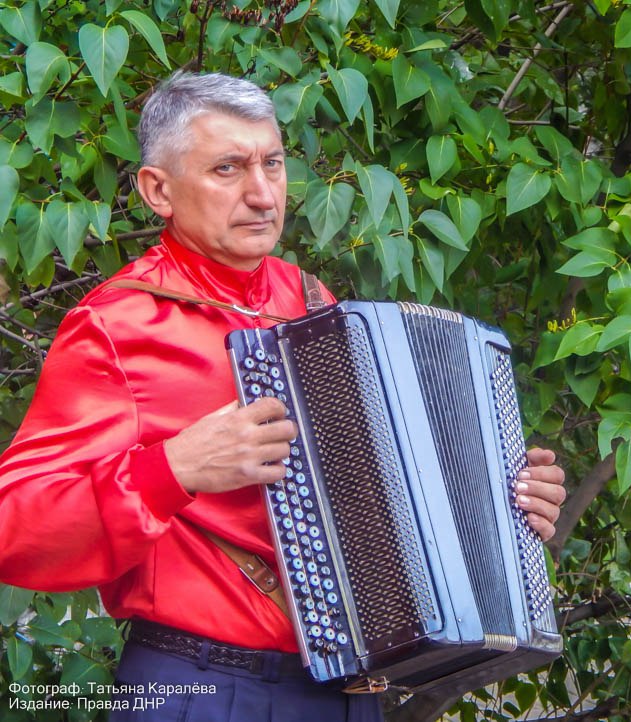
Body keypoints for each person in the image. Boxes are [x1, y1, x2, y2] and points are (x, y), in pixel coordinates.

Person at [0, 71, 567, 721]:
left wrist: (506, 502)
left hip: (349, 693)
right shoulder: (117, 326)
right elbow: (15, 529)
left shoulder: (315, 304)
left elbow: (389, 498)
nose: (262, 193)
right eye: (227, 168)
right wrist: (173, 469)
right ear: (158, 190)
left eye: (272, 163)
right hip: (201, 687)